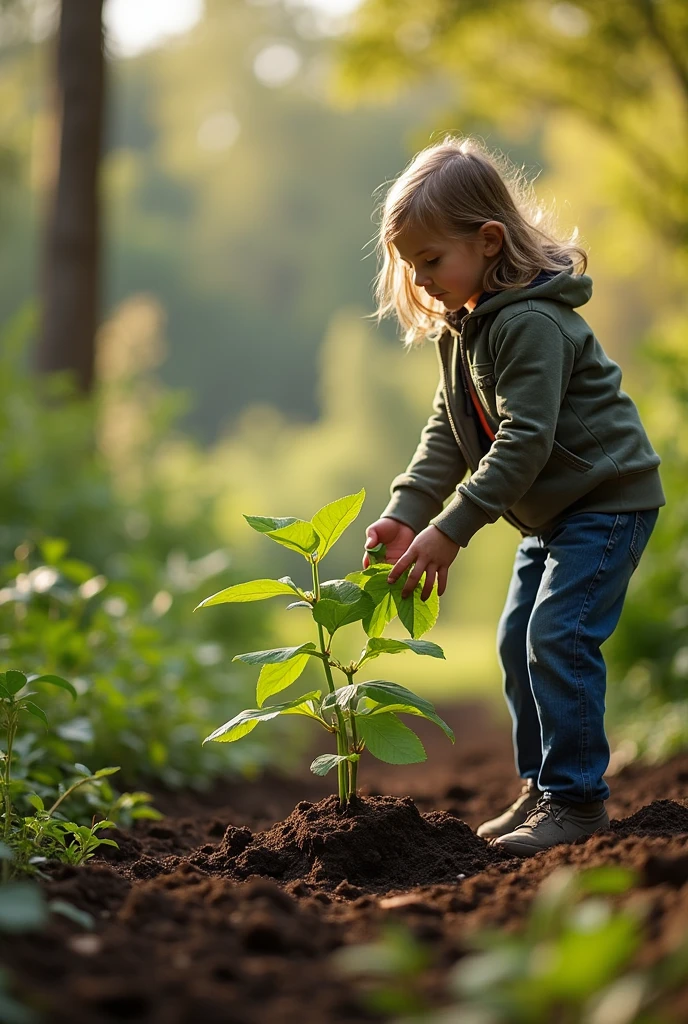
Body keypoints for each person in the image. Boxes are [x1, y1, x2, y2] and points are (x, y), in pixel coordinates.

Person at [362, 135, 665, 857]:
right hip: (557, 513)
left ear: (489, 240)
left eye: (431, 260)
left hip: (606, 501)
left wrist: (452, 528)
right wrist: (407, 511)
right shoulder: (468, 328)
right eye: (412, 266)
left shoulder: (528, 323)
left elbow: (523, 441)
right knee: (516, 639)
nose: (423, 280)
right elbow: (450, 430)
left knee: (556, 637)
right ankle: (543, 786)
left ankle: (577, 800)